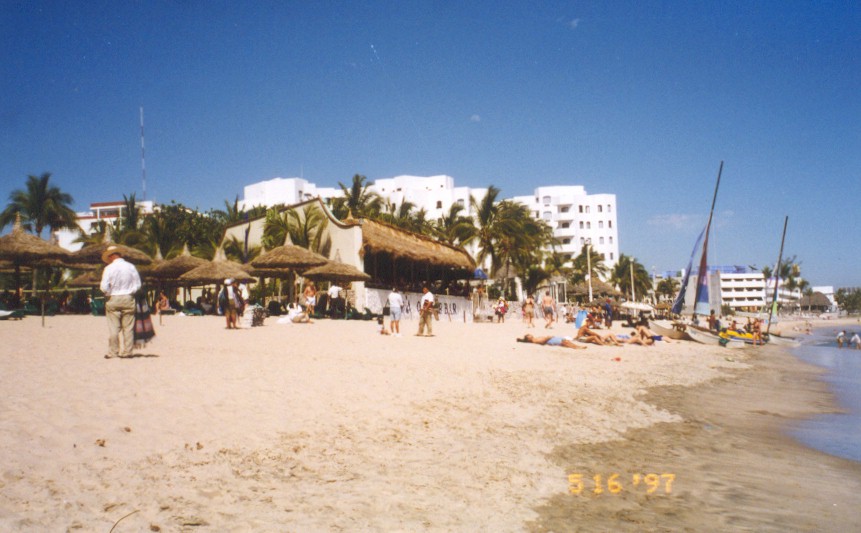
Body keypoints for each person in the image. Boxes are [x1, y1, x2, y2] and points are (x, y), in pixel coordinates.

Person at [99, 245, 142, 359]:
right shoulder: (131, 266)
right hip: (128, 297)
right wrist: (131, 292)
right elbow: (137, 284)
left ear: (110, 256)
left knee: (113, 328)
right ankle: (127, 352)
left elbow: (103, 287)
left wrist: (108, 292)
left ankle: (113, 352)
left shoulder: (108, 268)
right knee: (128, 327)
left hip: (113, 297)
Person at [516, 334, 586, 350]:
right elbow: (542, 342)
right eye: (529, 335)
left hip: (550, 339)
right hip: (550, 340)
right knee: (564, 342)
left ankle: (577, 346)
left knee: (565, 341)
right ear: (528, 339)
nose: (530, 334)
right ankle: (576, 347)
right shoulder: (534, 340)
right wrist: (548, 337)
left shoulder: (534, 339)